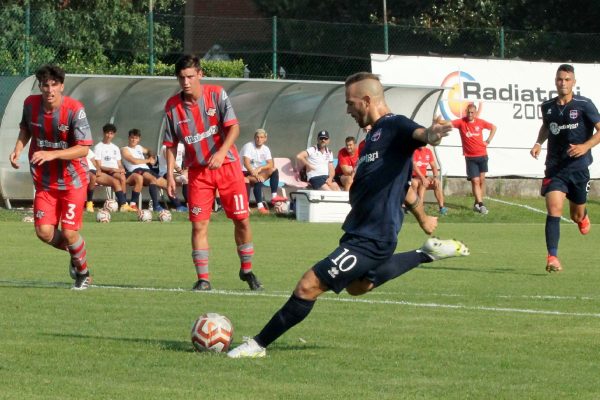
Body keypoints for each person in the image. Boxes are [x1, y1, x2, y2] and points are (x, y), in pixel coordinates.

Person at [227, 72, 470, 358]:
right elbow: (403, 187)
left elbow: (421, 135)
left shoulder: (396, 126)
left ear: (367, 101)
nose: (347, 110)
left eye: (350, 103)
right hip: (359, 231)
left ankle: (257, 345)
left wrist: (432, 134)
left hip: (373, 237)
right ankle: (425, 254)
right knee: (358, 286)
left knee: (308, 286)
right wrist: (424, 219)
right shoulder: (371, 143)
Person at [163, 54, 262, 291]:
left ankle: (246, 270)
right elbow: (170, 144)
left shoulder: (216, 94)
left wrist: (221, 153)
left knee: (242, 220)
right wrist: (169, 174)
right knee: (198, 225)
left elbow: (234, 128)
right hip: (198, 173)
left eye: (189, 76)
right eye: (181, 78)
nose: (185, 82)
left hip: (227, 167)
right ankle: (203, 279)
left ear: (200, 74)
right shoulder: (172, 107)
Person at [8, 64, 93, 290]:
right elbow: (26, 129)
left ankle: (83, 274)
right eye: (45, 85)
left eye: (54, 85)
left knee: (68, 231)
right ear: (41, 86)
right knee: (44, 232)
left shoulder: (75, 110)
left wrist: (52, 153)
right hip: (45, 182)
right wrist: (17, 148)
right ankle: (77, 253)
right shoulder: (30, 104)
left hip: (73, 180)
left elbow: (84, 148)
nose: (49, 90)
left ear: (62, 86)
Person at [530, 63, 600, 273]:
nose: (563, 83)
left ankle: (583, 215)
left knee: (576, 215)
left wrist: (585, 146)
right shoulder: (548, 106)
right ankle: (552, 257)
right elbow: (546, 125)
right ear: (555, 81)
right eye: (560, 79)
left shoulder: (584, 105)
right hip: (555, 168)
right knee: (553, 209)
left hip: (578, 168)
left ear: (574, 83)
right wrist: (538, 143)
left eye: (567, 80)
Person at [450, 103, 497, 214]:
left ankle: (477, 203)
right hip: (470, 157)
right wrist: (437, 122)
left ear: (475, 113)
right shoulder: (461, 122)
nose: (470, 114)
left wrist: (488, 141)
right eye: (468, 112)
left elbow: (494, 127)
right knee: (475, 181)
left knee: (481, 181)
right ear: (466, 112)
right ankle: (481, 205)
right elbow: (448, 123)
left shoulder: (480, 122)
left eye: (472, 112)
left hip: (482, 155)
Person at [240, 128, 287, 214]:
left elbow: (270, 164)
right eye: (257, 137)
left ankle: (274, 196)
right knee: (255, 179)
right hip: (243, 172)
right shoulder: (249, 146)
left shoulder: (266, 149)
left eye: (261, 137)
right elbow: (246, 164)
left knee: (273, 170)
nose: (259, 139)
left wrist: (260, 169)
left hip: (255, 173)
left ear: (265, 139)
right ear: (254, 138)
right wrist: (256, 175)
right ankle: (252, 207)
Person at [93, 123, 136, 212]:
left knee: (122, 177)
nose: (109, 135)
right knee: (120, 178)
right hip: (106, 172)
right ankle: (123, 204)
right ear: (104, 133)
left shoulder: (115, 148)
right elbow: (99, 165)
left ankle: (124, 205)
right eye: (107, 133)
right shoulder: (98, 147)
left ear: (114, 135)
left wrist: (121, 168)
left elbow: (119, 163)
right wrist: (113, 169)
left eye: (111, 133)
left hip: (115, 171)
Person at [121, 128, 164, 212]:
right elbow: (134, 161)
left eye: (136, 138)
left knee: (166, 184)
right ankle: (155, 205)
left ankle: (180, 206)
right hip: (136, 170)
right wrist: (148, 160)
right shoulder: (124, 149)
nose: (134, 140)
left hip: (147, 170)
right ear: (129, 138)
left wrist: (150, 156)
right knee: (153, 179)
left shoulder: (139, 147)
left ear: (139, 139)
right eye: (132, 137)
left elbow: (148, 150)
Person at [411, 146, 448, 215]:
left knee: (437, 183)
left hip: (423, 177)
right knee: (420, 183)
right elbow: (414, 167)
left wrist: (435, 177)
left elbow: (434, 166)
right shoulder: (414, 151)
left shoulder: (428, 151)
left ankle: (442, 208)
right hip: (413, 177)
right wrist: (423, 178)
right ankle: (418, 208)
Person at [157, 143, 188, 212]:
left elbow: (187, 157)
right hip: (166, 172)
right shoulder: (165, 147)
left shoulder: (181, 146)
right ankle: (179, 206)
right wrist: (180, 171)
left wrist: (186, 169)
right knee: (182, 179)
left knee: (187, 178)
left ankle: (189, 205)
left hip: (178, 173)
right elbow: (170, 160)